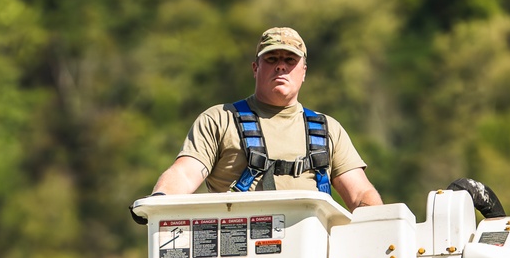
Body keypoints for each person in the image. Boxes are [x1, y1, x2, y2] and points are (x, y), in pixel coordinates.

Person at [139, 27, 383, 208]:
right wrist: (160, 201)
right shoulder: (221, 119)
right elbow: (185, 173)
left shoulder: (328, 129)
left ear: (303, 72)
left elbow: (360, 193)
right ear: (255, 68)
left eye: (289, 60)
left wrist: (382, 226)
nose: (281, 67)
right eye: (271, 59)